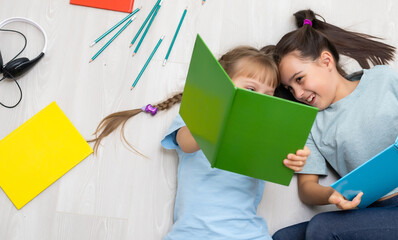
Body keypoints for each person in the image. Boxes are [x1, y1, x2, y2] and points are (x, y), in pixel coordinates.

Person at [90, 45, 310, 240]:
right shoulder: (198, 116)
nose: (260, 99)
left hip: (248, 233)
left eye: (268, 95)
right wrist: (219, 113)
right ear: (222, 85)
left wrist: (293, 160)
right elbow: (186, 143)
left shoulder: (264, 132)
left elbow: (275, 165)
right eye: (251, 90)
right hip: (192, 232)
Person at [271, 9, 398, 240]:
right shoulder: (312, 123)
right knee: (283, 238)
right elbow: (307, 190)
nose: (298, 93)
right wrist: (332, 194)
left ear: (326, 61)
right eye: (290, 88)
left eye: (300, 79)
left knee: (322, 228)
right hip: (372, 215)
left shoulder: (383, 79)